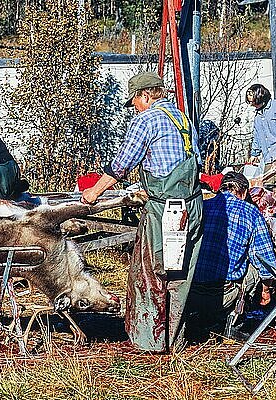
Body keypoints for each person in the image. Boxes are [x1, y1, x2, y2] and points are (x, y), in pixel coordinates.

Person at [81, 71, 202, 353]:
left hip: (168, 212)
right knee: (180, 275)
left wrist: (94, 192)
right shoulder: (183, 119)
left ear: (145, 96)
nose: (134, 107)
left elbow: (122, 164)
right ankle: (176, 340)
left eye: (134, 101)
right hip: (192, 205)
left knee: (152, 273)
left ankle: (151, 343)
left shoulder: (146, 119)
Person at [188, 172, 276, 335]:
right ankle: (234, 319)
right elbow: (266, 260)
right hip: (223, 295)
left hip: (190, 293)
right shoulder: (251, 212)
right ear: (243, 192)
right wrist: (266, 290)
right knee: (255, 268)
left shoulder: (203, 206)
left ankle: (202, 316)